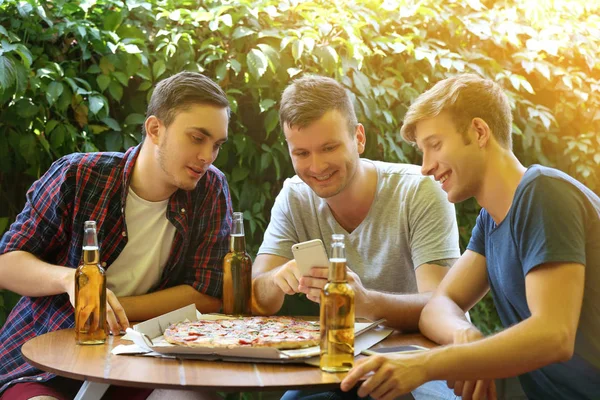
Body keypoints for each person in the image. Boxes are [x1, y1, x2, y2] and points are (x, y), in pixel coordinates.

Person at [340, 73, 600, 400]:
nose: (425, 167)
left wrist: (428, 364)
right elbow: (438, 305)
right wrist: (465, 337)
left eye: (434, 145)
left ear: (478, 132)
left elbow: (554, 334)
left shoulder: (543, 193)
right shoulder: (490, 222)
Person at [0, 71, 233, 400]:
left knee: (190, 397)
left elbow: (209, 292)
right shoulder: (79, 174)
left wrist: (112, 307)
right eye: (197, 138)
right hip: (46, 357)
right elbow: (7, 263)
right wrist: (72, 281)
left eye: (216, 145)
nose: (207, 157)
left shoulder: (210, 187)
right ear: (155, 129)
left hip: (142, 360)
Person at [251, 75, 461, 399]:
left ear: (358, 138)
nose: (317, 166)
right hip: (332, 365)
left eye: (329, 147)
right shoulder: (294, 197)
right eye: (302, 153)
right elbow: (257, 298)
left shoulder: (418, 191)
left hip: (418, 363)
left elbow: (442, 303)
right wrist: (276, 280)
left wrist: (364, 302)